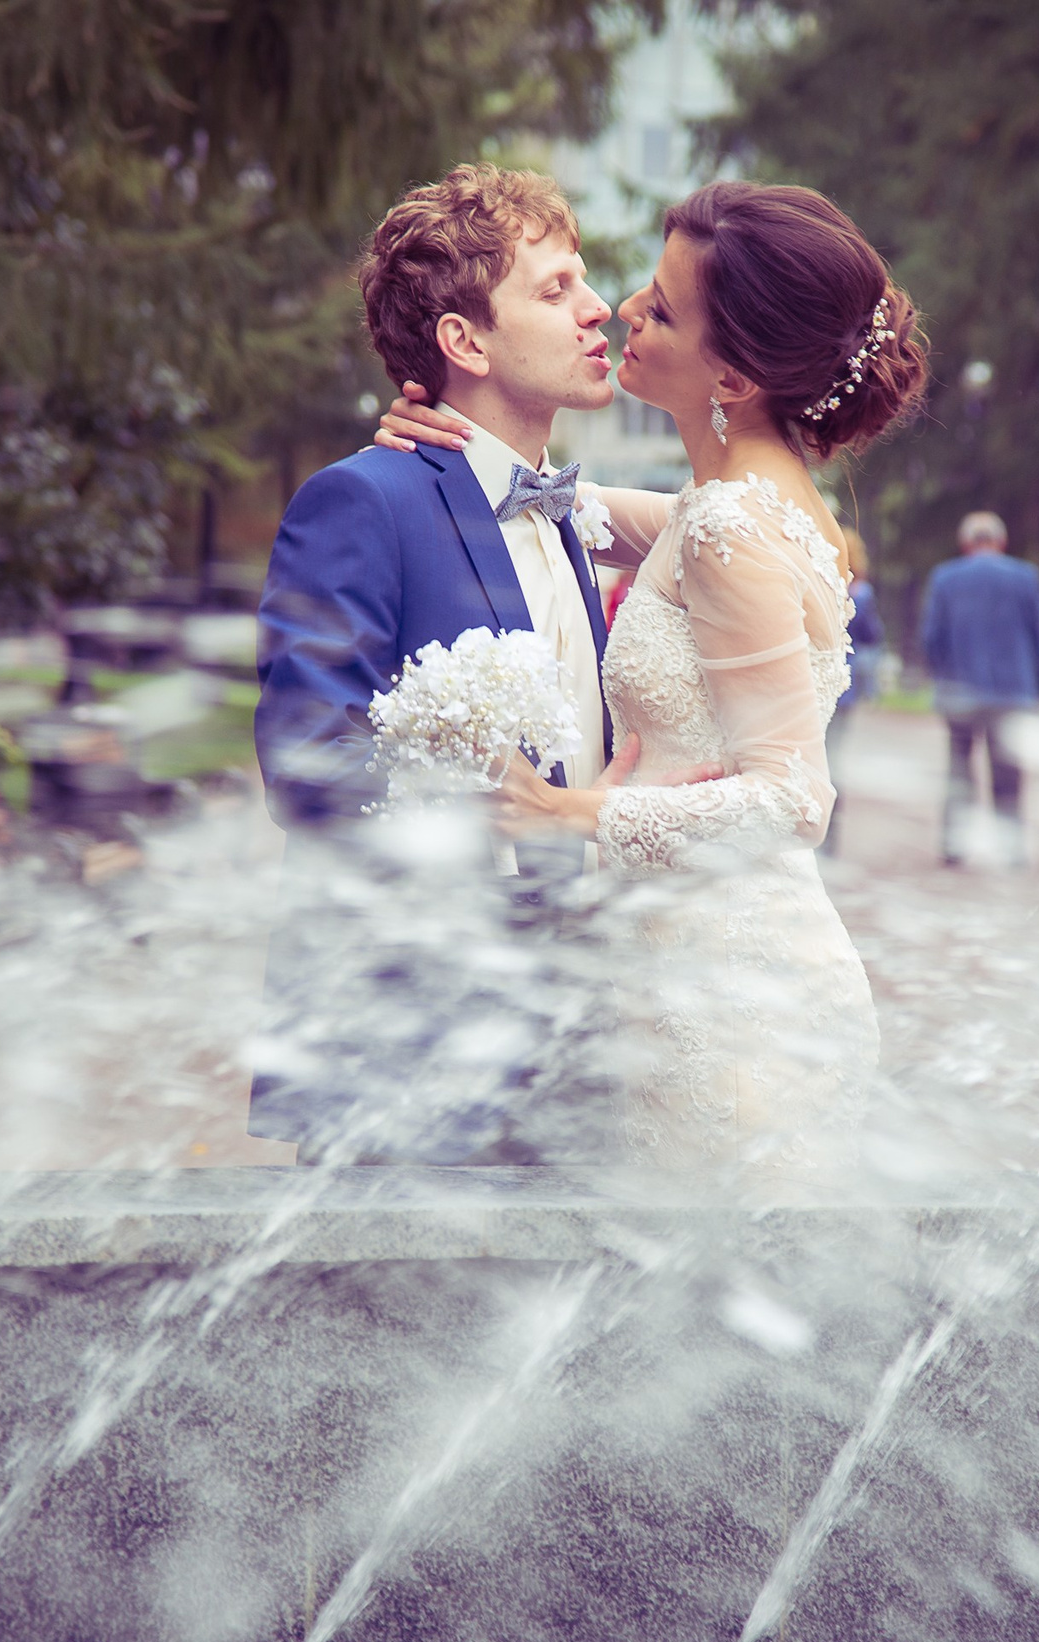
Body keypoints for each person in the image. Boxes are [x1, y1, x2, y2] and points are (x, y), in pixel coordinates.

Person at [376, 181, 928, 1168]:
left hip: (729, 996)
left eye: (663, 310)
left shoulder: (726, 529)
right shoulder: (734, 506)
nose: (622, 309)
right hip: (681, 966)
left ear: (733, 375)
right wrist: (440, 443)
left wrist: (571, 815)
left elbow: (795, 802)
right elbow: (555, 505)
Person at [251, 164, 643, 1164]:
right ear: (464, 341)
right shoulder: (364, 501)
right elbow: (306, 764)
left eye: (583, 280)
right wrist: (474, 798)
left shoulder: (562, 510)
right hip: (405, 1041)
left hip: (571, 1039)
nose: (597, 309)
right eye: (554, 290)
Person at [918, 511, 1039, 866]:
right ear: (1001, 542)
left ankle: (955, 848)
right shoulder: (1025, 578)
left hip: (960, 691)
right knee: (1009, 775)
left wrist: (942, 674)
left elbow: (931, 637)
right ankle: (1010, 849)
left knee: (959, 769)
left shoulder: (945, 578)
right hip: (1013, 691)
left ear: (966, 544)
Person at [820, 525, 883, 857]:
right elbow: (872, 637)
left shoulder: (815, 583)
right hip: (843, 686)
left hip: (814, 681)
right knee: (833, 760)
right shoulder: (861, 593)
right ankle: (828, 838)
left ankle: (813, 833)